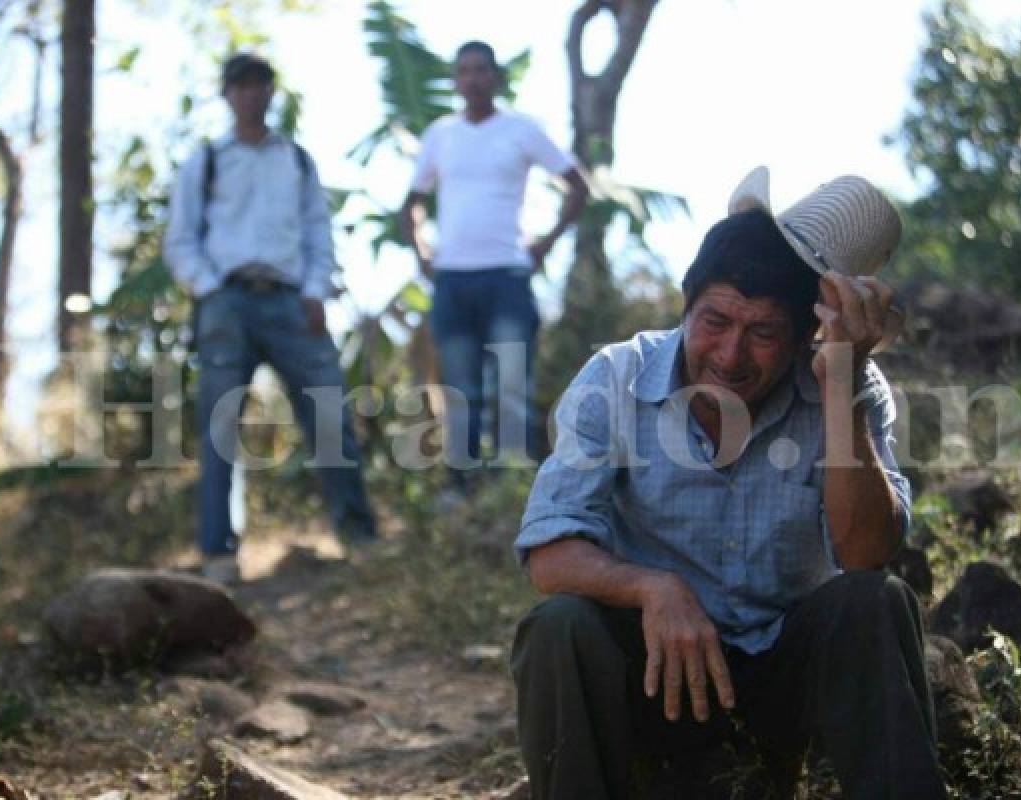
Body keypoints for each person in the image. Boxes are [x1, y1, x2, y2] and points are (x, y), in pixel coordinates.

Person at [510, 166, 944, 798]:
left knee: (875, 601)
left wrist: (842, 386)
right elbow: (549, 557)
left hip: (786, 685)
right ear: (685, 307)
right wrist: (654, 588)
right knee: (559, 627)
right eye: (714, 320)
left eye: (764, 332)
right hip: (659, 679)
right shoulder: (616, 376)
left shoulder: (848, 387)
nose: (730, 354)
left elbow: (866, 555)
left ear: (805, 337)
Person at [164, 53, 376, 584]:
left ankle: (358, 537)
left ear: (271, 92)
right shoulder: (207, 161)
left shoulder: (297, 161)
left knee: (329, 414)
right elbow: (181, 239)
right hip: (226, 302)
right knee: (220, 427)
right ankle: (219, 552)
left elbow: (317, 231)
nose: (251, 94)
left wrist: (315, 291)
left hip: (291, 301)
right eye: (241, 85)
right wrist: (210, 289)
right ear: (227, 94)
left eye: (260, 84)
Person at [399, 40, 588, 479]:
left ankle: (512, 491)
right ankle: (460, 489)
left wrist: (546, 243)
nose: (473, 78)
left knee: (510, 388)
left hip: (506, 278)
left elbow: (577, 186)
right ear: (454, 80)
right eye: (464, 70)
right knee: (460, 392)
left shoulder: (522, 129)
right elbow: (412, 201)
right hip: (452, 282)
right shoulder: (440, 135)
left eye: (481, 70)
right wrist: (422, 252)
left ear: (496, 77)